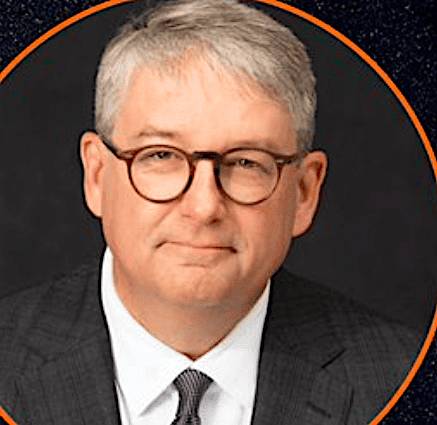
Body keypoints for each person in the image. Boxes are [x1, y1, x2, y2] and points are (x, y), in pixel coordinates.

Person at [0, 1, 419, 424]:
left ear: (305, 192)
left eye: (245, 163)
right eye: (160, 154)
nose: (203, 208)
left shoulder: (399, 375)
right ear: (96, 175)